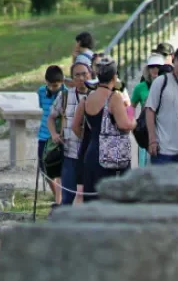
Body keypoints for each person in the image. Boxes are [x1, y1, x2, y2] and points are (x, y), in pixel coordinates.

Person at [71, 57, 135, 200]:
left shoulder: (87, 98)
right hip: (111, 156)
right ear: (114, 76)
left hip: (91, 152)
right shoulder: (114, 97)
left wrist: (90, 137)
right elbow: (124, 125)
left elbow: (75, 126)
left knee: (92, 199)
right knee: (112, 201)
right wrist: (134, 121)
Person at [47, 59, 91, 206]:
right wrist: (54, 134)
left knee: (91, 197)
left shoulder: (97, 96)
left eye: (84, 74)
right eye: (77, 75)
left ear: (90, 74)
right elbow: (51, 117)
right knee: (68, 197)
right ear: (72, 78)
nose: (81, 78)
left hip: (91, 156)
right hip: (70, 154)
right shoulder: (65, 96)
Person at [131, 54, 166, 167]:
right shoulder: (140, 87)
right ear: (147, 69)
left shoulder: (168, 85)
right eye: (152, 66)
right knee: (144, 165)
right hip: (145, 130)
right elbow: (132, 106)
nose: (155, 69)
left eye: (158, 66)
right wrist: (131, 123)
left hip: (164, 130)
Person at [38, 65, 65, 206]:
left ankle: (59, 201)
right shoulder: (41, 91)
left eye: (55, 85)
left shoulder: (66, 93)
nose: (52, 88)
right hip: (43, 135)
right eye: (49, 85)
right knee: (44, 168)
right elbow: (43, 108)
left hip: (58, 136)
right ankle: (56, 195)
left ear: (62, 82)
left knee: (59, 169)